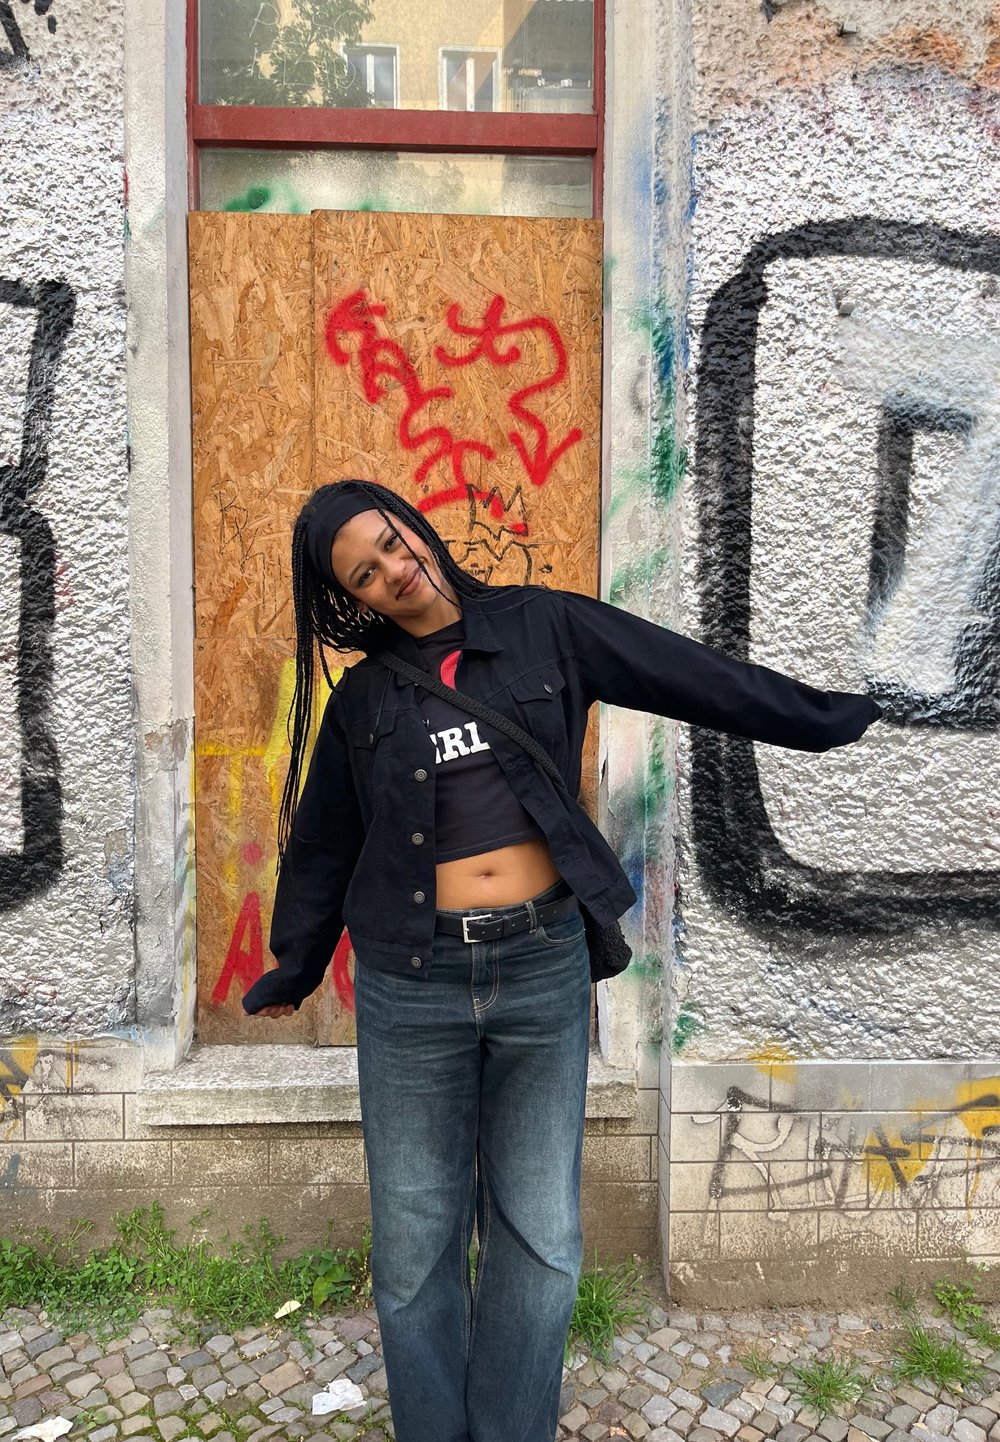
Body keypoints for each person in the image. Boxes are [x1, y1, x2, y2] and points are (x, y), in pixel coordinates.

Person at [242, 478, 882, 1442]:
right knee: (414, 1246)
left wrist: (822, 718)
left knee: (542, 1238)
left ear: (416, 527)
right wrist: (294, 966)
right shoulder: (366, 697)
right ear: (351, 598)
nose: (391, 570)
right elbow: (326, 843)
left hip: (539, 962)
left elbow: (686, 674)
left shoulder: (547, 627)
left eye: (392, 542)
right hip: (412, 984)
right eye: (363, 573)